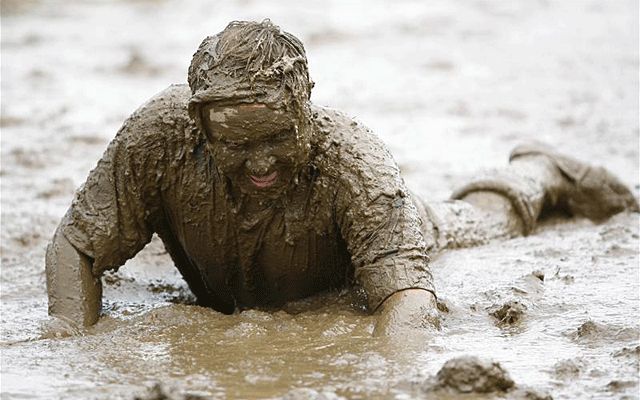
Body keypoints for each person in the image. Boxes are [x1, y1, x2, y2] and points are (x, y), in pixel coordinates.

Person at [45, 20, 638, 336]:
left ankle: (539, 170)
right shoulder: (157, 140)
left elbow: (408, 305)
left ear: (306, 108)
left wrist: (387, 374)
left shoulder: (353, 165)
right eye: (237, 145)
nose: (260, 162)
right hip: (241, 270)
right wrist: (71, 341)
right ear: (201, 128)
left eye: (278, 138)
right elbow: (76, 246)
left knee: (481, 220)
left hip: (390, 235)